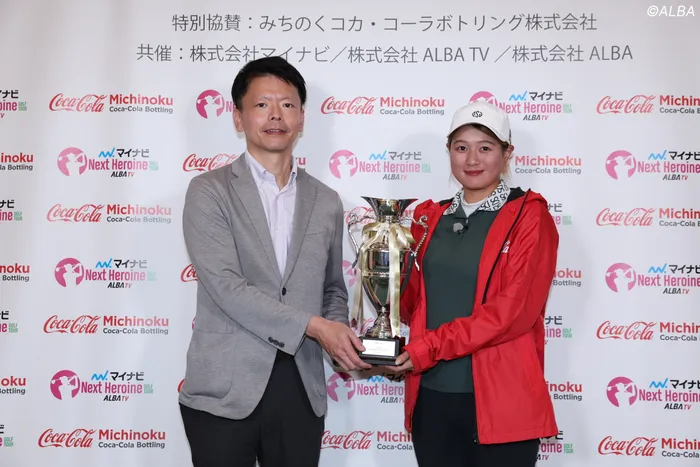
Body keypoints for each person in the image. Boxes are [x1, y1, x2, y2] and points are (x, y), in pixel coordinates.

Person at [179, 56, 371, 467]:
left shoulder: (326, 201)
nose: (275, 115)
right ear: (238, 117)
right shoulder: (209, 191)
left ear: (302, 118)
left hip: (300, 385)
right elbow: (226, 287)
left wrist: (339, 337)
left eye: (287, 104)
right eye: (262, 104)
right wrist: (316, 327)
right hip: (225, 388)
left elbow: (332, 289)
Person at [382, 100, 559, 466]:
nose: (473, 159)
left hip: (502, 404)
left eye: (486, 148)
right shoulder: (428, 217)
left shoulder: (529, 215)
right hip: (432, 398)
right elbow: (410, 305)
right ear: (449, 151)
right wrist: (388, 270)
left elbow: (512, 313)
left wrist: (426, 350)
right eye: (462, 147)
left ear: (507, 154)